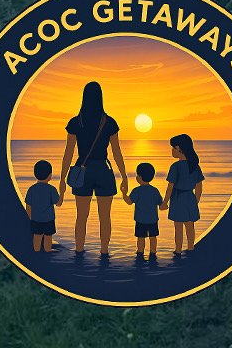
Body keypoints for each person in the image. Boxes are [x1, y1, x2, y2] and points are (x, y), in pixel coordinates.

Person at [58, 80, 127, 261]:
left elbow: (68, 153)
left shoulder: (76, 122)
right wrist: (124, 176)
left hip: (83, 170)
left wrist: (62, 180)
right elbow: (117, 152)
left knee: (81, 216)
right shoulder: (109, 122)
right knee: (105, 217)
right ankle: (104, 253)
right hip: (103, 170)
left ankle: (79, 252)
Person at [165, 134, 204, 255]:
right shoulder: (195, 166)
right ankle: (191, 248)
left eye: (174, 148)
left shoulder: (175, 167)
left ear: (180, 149)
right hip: (190, 198)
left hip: (178, 198)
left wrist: (165, 202)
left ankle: (178, 250)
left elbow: (170, 187)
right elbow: (199, 187)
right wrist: (195, 201)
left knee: (178, 227)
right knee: (190, 226)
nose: (172, 150)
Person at [128, 161, 163, 264]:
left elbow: (129, 201)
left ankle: (140, 252)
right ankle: (153, 252)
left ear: (139, 177)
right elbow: (160, 203)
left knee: (141, 238)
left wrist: (124, 193)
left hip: (140, 220)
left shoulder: (136, 190)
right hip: (153, 220)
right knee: (153, 237)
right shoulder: (155, 190)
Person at [24, 158, 60, 256]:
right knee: (48, 236)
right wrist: (61, 193)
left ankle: (36, 251)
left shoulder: (31, 189)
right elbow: (58, 203)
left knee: (37, 236)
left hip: (36, 219)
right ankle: (47, 250)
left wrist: (30, 218)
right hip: (48, 219)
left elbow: (28, 206)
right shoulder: (51, 189)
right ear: (50, 175)